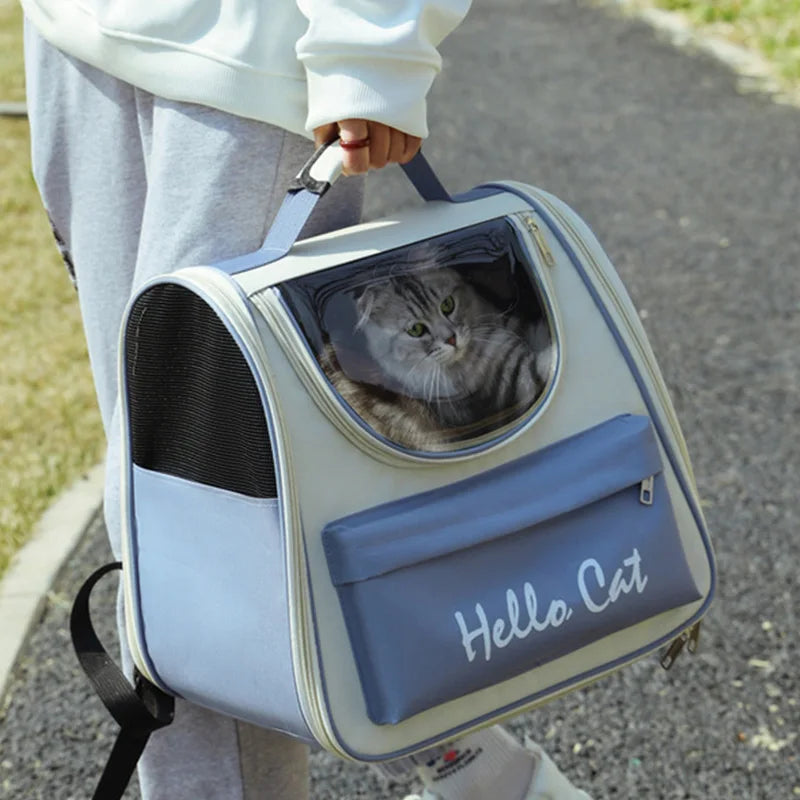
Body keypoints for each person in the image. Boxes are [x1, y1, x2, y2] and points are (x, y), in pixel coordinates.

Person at [21, 0, 593, 797]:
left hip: (245, 59)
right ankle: (474, 768)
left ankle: (470, 765)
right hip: (75, 39)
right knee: (162, 499)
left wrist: (373, 43)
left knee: (195, 518)